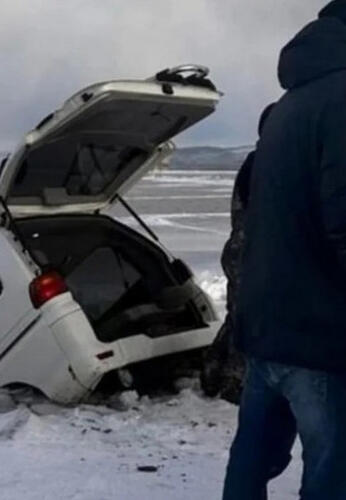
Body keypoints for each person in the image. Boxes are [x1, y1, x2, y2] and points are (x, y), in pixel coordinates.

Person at [223, 2, 346, 499]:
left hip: (267, 325)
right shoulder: (341, 101)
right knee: (332, 472)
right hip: (320, 334)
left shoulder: (290, 105)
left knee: (252, 458)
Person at [201, 103, 275, 404]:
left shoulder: (254, 161)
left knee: (237, 316)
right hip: (249, 254)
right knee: (245, 319)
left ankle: (211, 373)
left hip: (240, 253)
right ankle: (232, 382)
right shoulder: (264, 163)